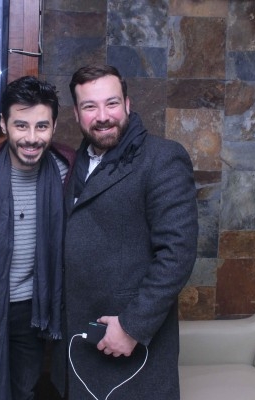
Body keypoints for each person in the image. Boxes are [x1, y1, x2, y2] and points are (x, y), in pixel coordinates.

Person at [54, 64, 198, 399]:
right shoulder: (77, 161)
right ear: (76, 114)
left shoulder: (162, 158)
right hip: (79, 340)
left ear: (128, 104)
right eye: (90, 107)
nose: (103, 116)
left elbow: (177, 253)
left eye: (112, 103)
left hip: (127, 340)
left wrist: (133, 326)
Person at [0, 76, 75, 400]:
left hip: (30, 308)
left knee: (25, 390)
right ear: (3, 124)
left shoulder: (68, 168)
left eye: (42, 126)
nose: (32, 138)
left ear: (54, 126)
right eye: (21, 125)